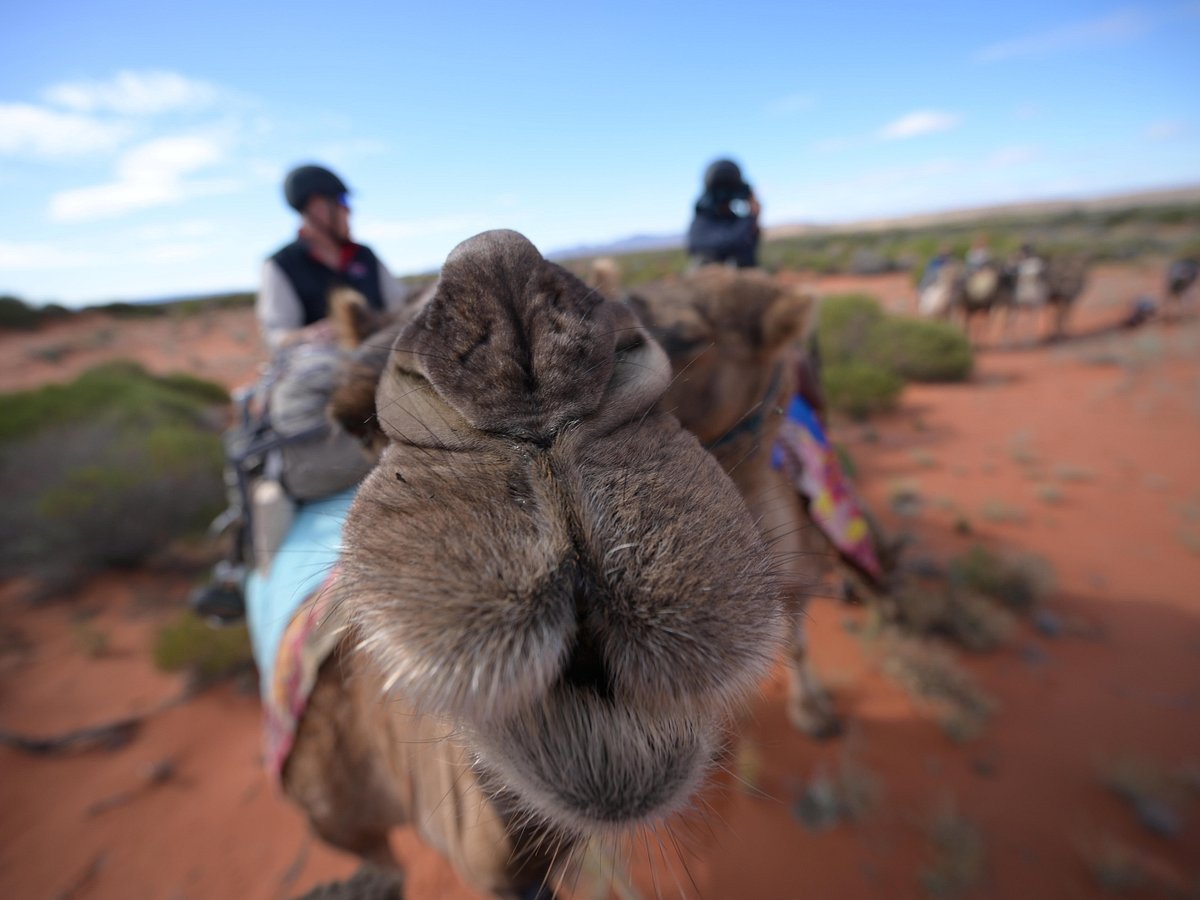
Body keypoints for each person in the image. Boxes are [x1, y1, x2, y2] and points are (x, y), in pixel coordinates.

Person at [258, 163, 411, 351]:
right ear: (317, 207)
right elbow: (276, 334)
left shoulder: (365, 255)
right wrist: (307, 336)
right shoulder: (281, 264)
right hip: (324, 369)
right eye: (343, 201)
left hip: (381, 356)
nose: (349, 211)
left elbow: (402, 306)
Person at [685, 158, 762, 269]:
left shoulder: (733, 220)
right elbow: (726, 244)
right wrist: (749, 218)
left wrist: (754, 216)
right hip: (709, 282)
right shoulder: (703, 218)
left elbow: (747, 250)